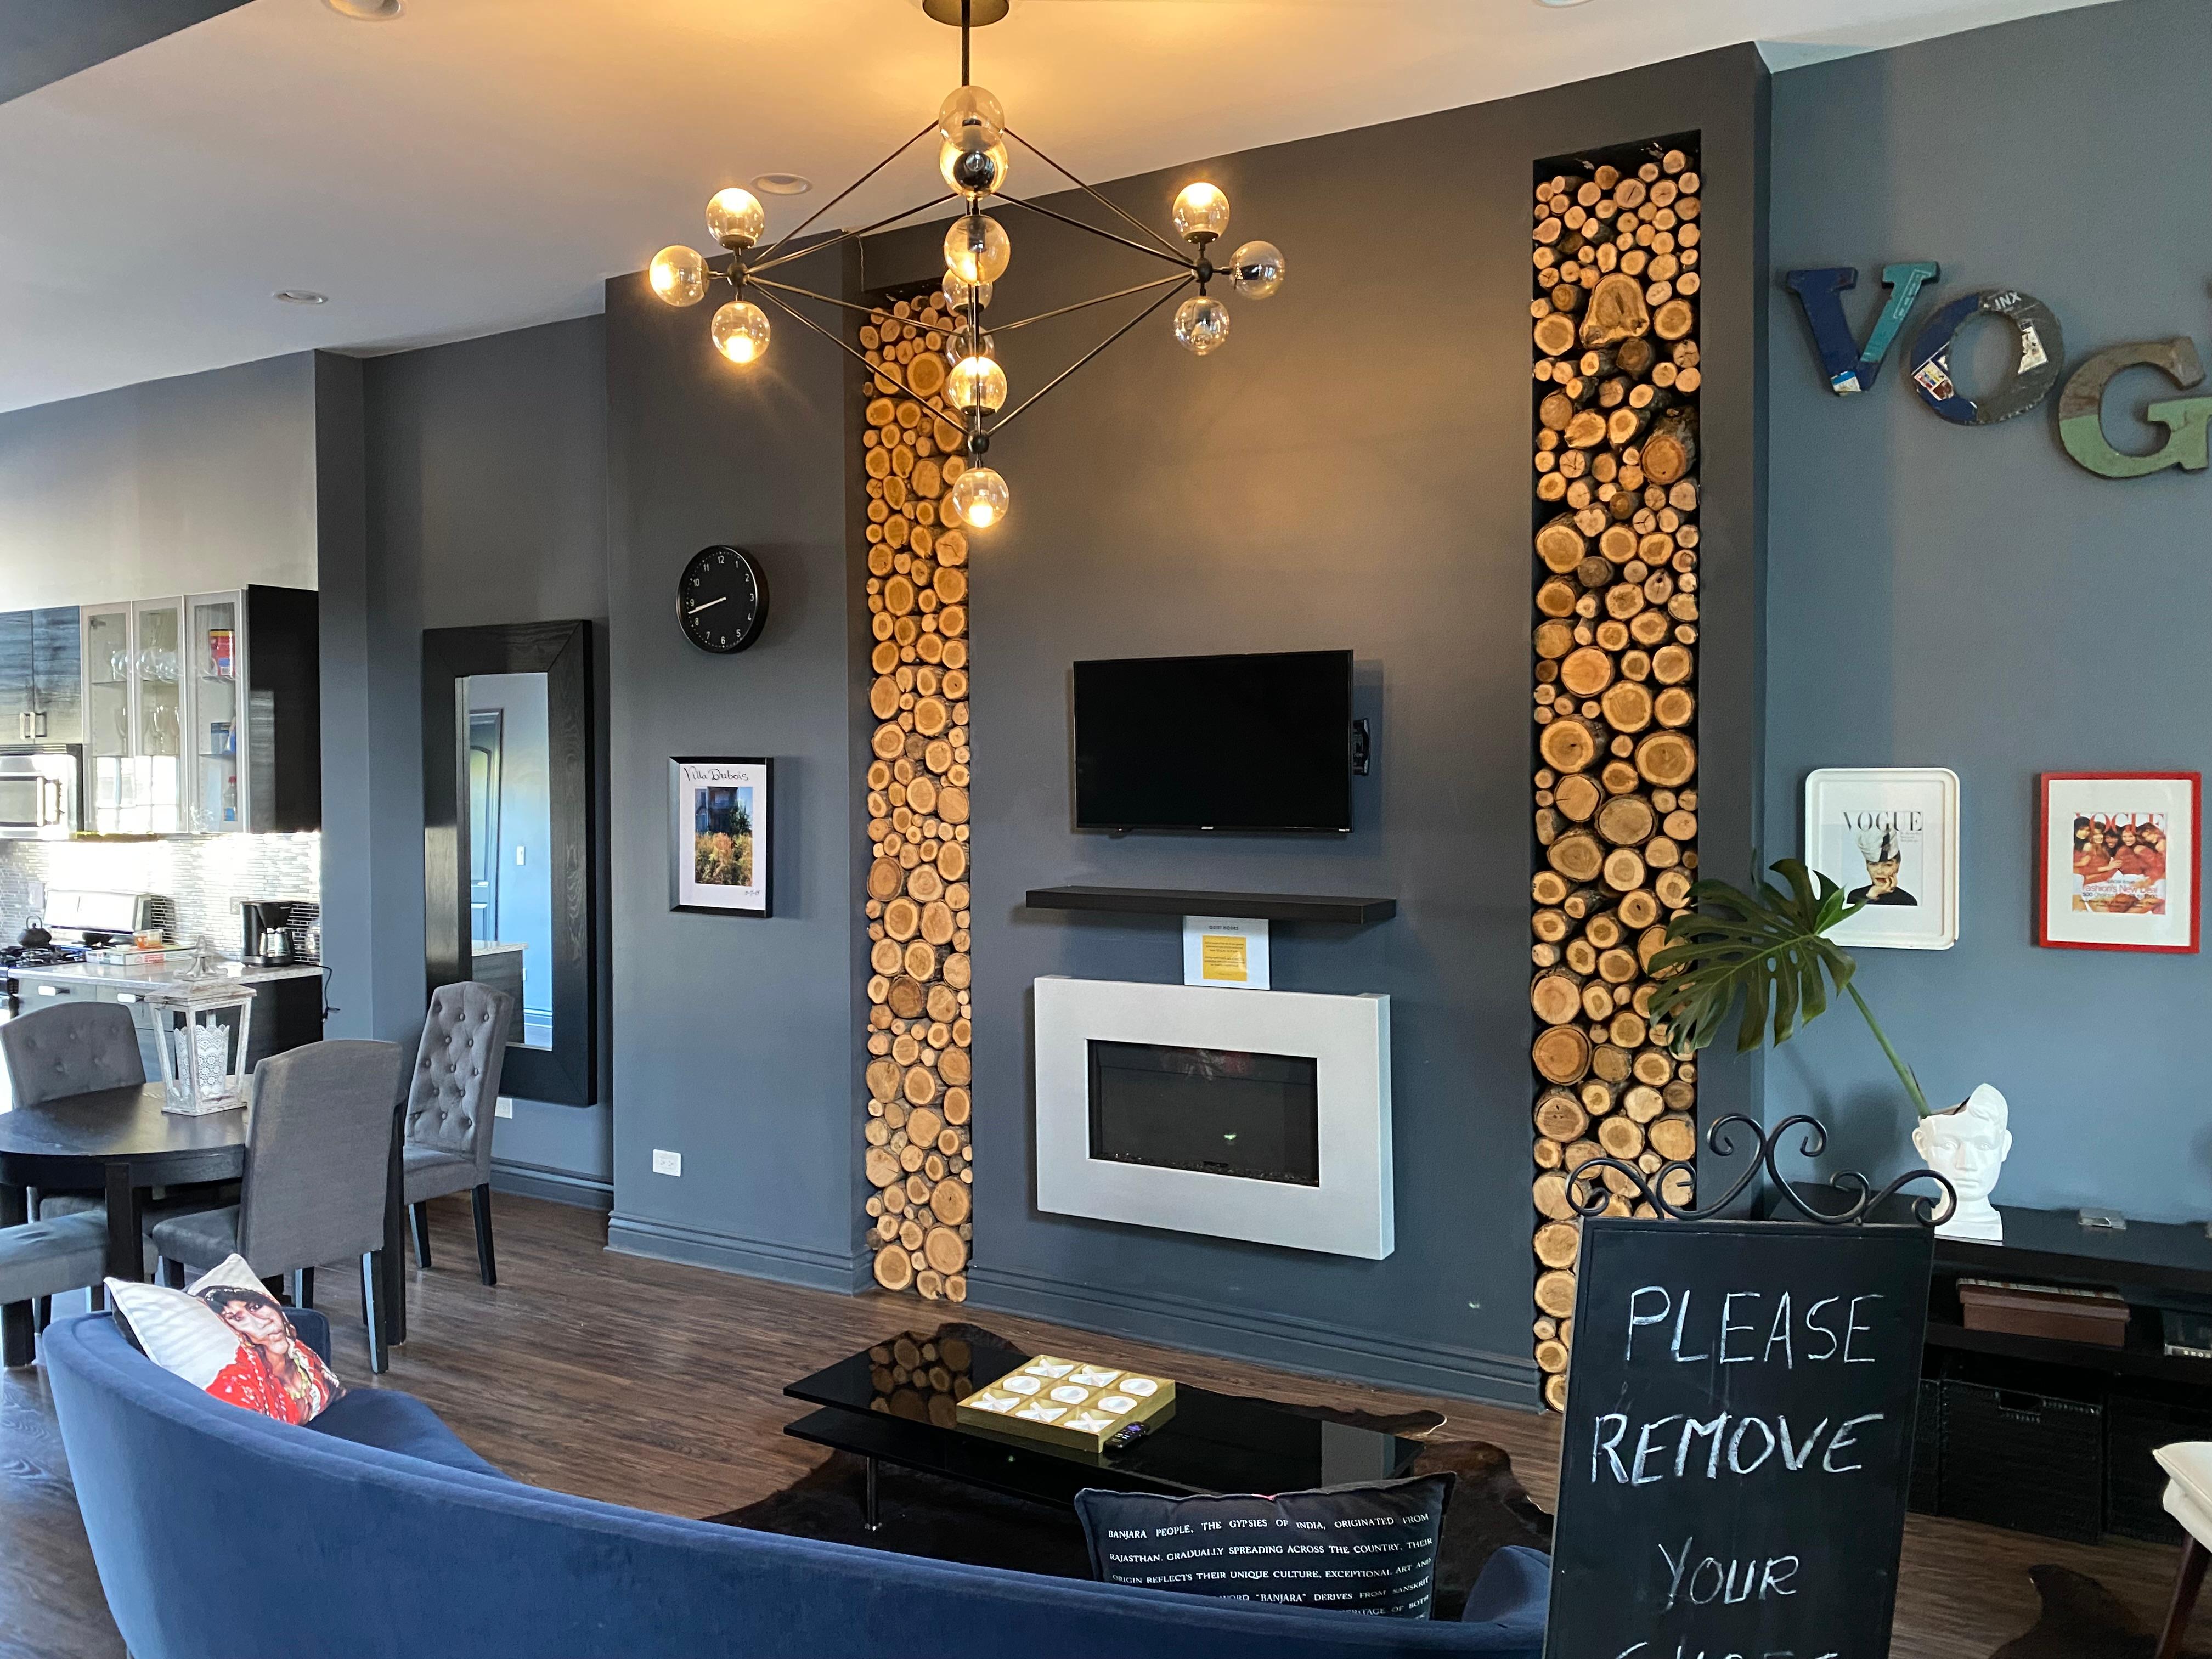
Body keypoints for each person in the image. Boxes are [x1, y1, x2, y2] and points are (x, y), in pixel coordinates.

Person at [201, 1284, 342, 1424]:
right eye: (237, 1318)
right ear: (234, 1331)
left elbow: (337, 1396)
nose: (262, 1322)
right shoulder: (237, 1384)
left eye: (256, 1307)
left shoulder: (298, 1353)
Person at [1847, 826, 1918, 907]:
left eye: (1888, 865)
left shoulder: (1908, 900)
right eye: (1873, 864)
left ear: (1897, 867)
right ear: (1867, 867)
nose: (1880, 871)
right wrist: (1872, 895)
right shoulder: (1855, 896)